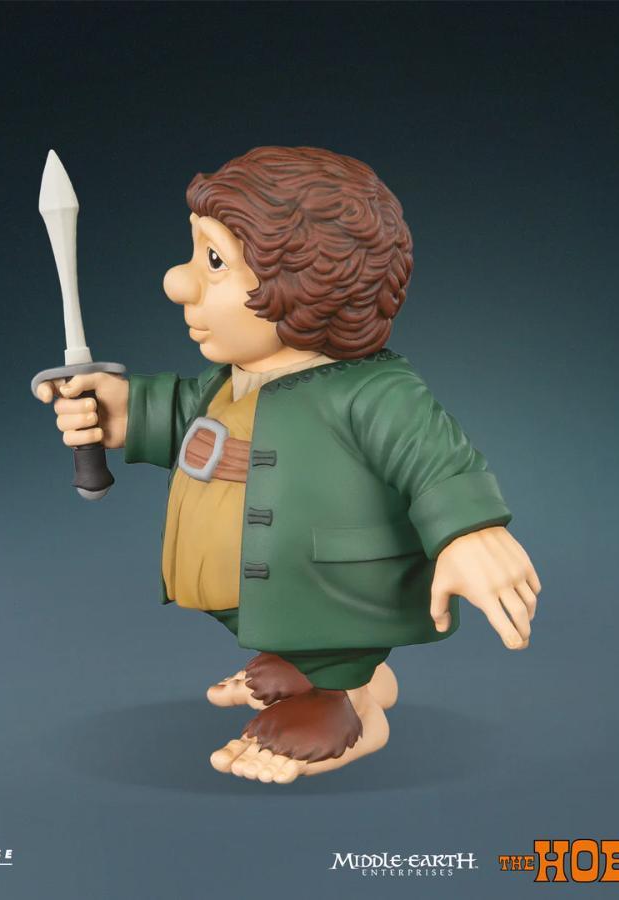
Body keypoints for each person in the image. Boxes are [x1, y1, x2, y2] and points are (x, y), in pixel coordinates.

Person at [36, 146, 540, 784]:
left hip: (338, 589)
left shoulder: (369, 391)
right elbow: (184, 415)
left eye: (214, 261)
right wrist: (123, 410)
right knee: (285, 620)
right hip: (271, 590)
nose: (177, 283)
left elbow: (434, 456)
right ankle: (314, 667)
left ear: (303, 280)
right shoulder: (233, 379)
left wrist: (470, 530)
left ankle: (346, 700)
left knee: (329, 631)